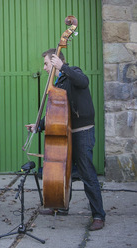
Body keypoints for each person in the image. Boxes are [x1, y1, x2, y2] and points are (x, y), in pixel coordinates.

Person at [25, 48, 106, 231]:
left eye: (46, 63)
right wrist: (38, 125)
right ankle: (60, 207)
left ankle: (98, 215)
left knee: (87, 173)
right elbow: (57, 113)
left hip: (82, 130)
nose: (45, 68)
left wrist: (63, 67)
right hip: (65, 131)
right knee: (63, 171)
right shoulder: (58, 83)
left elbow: (84, 82)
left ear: (56, 62)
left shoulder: (73, 72)